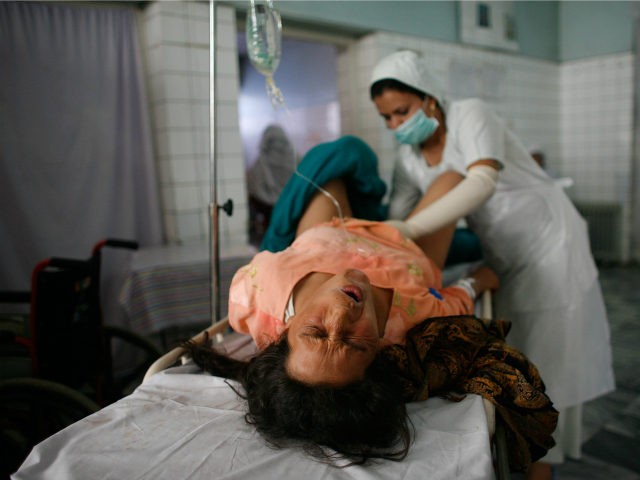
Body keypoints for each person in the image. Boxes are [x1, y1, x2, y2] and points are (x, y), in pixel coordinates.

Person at [185, 136, 558, 471]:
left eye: (316, 331)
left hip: (329, 233)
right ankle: (388, 213)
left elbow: (244, 300)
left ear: (285, 332)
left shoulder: (263, 289)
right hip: (404, 248)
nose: (342, 315)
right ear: (379, 348)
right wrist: (478, 280)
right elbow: (455, 302)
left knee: (340, 154)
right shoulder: (409, 323)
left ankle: (372, 199)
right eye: (353, 341)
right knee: (453, 179)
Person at [369, 50, 615, 480]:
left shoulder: (469, 115)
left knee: (550, 364)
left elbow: (481, 180)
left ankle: (542, 468)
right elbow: (399, 219)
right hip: (504, 253)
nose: (395, 125)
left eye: (402, 112)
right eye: (387, 118)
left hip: (548, 244)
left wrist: (407, 226)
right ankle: (529, 456)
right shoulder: (409, 160)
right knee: (521, 358)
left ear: (429, 99)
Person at [246, 124, 296, 247]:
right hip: (279, 220)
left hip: (283, 226)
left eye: (280, 142)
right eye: (274, 143)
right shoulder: (259, 167)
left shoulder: (296, 161)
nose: (277, 148)